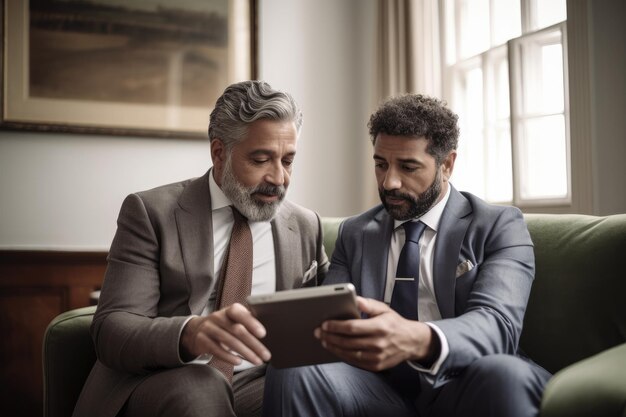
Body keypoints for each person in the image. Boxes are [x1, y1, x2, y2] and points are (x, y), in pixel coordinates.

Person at [262, 94, 551, 417]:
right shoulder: (355, 233)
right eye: (381, 164)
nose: (390, 182)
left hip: (464, 381)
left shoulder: (498, 225)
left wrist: (416, 338)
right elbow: (332, 328)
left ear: (447, 165)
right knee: (291, 368)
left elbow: (497, 325)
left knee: (504, 375)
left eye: (408, 167)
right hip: (380, 392)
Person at [72, 80, 329, 417]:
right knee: (202, 386)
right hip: (165, 379)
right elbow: (112, 330)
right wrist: (190, 333)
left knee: (319, 385)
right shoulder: (152, 213)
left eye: (288, 161)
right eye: (261, 159)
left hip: (261, 382)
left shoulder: (305, 225)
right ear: (219, 153)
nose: (279, 178)